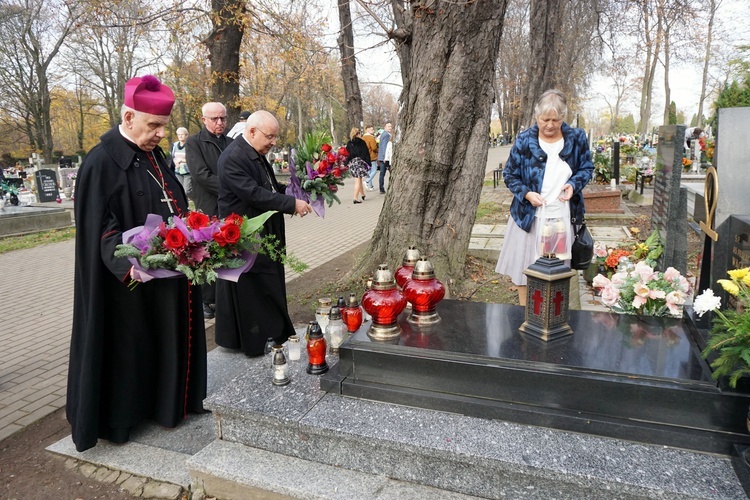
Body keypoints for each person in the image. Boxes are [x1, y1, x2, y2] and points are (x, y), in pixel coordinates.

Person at [66, 75, 207, 452]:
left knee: (162, 335)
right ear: (128, 118)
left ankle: (166, 405)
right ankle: (123, 418)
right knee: (129, 345)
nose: (161, 133)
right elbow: (99, 229)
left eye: (163, 125)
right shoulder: (101, 163)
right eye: (154, 125)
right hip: (126, 282)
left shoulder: (154, 156)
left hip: (166, 272)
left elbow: (174, 204)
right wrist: (131, 270)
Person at [215, 110, 313, 356]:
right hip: (246, 235)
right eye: (269, 137)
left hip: (263, 230)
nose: (273, 142)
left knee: (269, 284)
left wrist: (294, 190)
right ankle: (259, 340)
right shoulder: (234, 157)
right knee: (255, 290)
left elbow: (268, 185)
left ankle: (274, 332)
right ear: (252, 132)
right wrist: (291, 204)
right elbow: (254, 194)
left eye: (275, 137)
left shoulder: (255, 153)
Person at [495, 89, 593, 305]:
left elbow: (586, 168)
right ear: (536, 116)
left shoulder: (576, 138)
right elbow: (510, 175)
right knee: (525, 270)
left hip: (561, 219)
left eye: (555, 120)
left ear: (563, 117)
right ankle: (525, 313)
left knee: (556, 270)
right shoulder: (524, 140)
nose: (549, 125)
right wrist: (527, 193)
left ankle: (553, 315)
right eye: (544, 119)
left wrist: (573, 185)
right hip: (528, 218)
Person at [186, 102, 233, 319]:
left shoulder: (232, 142)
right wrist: (231, 187)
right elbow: (200, 175)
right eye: (214, 119)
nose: (220, 123)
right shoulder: (195, 143)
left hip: (230, 206)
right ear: (204, 120)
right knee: (206, 253)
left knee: (229, 249)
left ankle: (225, 296)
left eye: (222, 118)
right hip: (207, 205)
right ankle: (206, 300)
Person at [345, 127, 371, 204]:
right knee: (358, 180)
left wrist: (347, 162)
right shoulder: (362, 142)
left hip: (352, 162)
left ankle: (362, 194)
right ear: (358, 134)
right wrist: (368, 162)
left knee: (358, 179)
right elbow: (366, 153)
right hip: (360, 162)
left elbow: (348, 153)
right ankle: (355, 198)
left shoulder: (349, 143)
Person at [171, 127, 192, 198]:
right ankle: (186, 206)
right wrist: (176, 163)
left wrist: (181, 161)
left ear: (186, 135)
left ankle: (197, 201)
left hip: (188, 171)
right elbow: (173, 157)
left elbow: (192, 158)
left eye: (182, 134)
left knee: (187, 190)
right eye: (178, 134)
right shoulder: (175, 145)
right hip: (178, 171)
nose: (180, 136)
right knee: (180, 190)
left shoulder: (190, 145)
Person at [362, 125, 379, 191]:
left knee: (369, 171)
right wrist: (377, 150)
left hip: (365, 156)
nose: (373, 130)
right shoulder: (371, 138)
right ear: (368, 130)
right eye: (372, 129)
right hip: (371, 156)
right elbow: (374, 147)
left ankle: (370, 186)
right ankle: (366, 181)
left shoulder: (363, 138)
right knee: (374, 170)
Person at [377, 122, 392, 194]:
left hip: (382, 157)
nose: (390, 128)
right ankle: (382, 188)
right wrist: (384, 157)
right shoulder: (386, 135)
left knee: (382, 173)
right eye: (388, 126)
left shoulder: (383, 134)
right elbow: (384, 146)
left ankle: (381, 188)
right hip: (385, 157)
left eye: (391, 126)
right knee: (388, 172)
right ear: (385, 127)